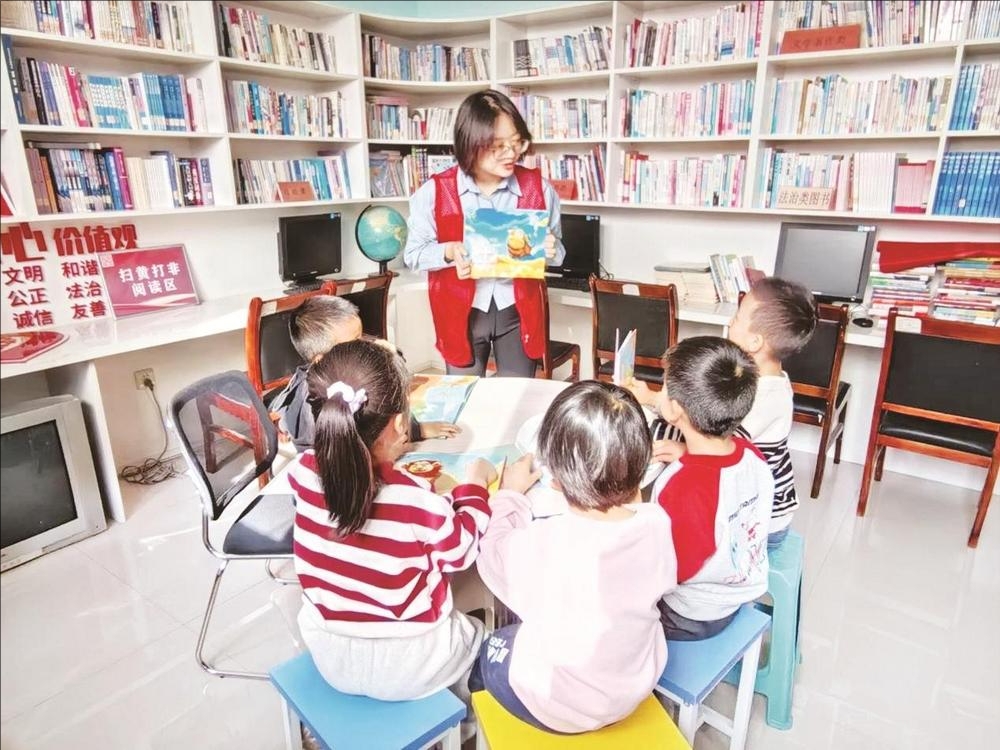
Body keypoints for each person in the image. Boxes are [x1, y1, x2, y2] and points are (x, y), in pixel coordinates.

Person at [288, 338, 492, 709]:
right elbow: (461, 550)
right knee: (482, 630)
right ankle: (465, 718)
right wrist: (475, 487)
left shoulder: (302, 473)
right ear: (400, 425)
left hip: (331, 657)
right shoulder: (410, 496)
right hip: (412, 666)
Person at [472, 381, 678, 734]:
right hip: (633, 686)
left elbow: (490, 554)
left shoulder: (546, 542)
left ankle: (474, 728)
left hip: (560, 706)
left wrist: (508, 493)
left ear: (554, 476)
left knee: (490, 647)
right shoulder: (657, 523)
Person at [403, 90, 566, 377]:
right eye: (498, 145)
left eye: (517, 142)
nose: (511, 153)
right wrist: (449, 251)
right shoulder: (434, 193)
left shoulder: (540, 189)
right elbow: (413, 255)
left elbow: (559, 254)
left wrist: (551, 251)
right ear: (470, 143)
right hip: (461, 315)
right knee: (464, 397)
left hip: (517, 313)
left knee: (516, 395)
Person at [649, 336, 773, 641]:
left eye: (663, 387)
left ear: (675, 410)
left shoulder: (682, 487)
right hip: (737, 594)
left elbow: (671, 571)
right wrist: (687, 456)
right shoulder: (751, 455)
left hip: (690, 615)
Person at [271, 295, 458, 452]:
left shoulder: (346, 369)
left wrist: (415, 429)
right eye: (355, 342)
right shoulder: (312, 406)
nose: (364, 345)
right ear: (322, 359)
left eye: (361, 336)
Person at [725, 277, 817, 548]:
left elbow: (722, 449)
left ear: (755, 341)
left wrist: (680, 449)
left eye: (737, 318)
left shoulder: (767, 397)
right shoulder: (761, 377)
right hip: (755, 504)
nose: (730, 322)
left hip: (764, 522)